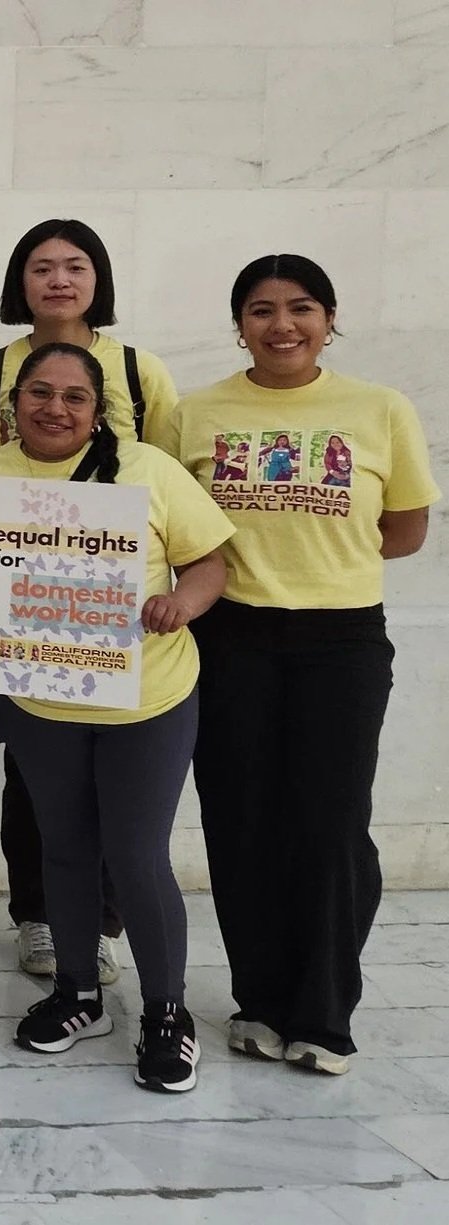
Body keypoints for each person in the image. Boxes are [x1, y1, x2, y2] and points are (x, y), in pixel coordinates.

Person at [151, 254, 440, 1076]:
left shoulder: (378, 408)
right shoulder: (193, 412)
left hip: (340, 643)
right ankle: (259, 1000)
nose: (282, 325)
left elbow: (404, 529)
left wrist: (318, 563)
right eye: (261, 310)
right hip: (228, 640)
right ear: (237, 323)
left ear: (329, 317)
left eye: (301, 308)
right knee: (239, 822)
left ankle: (323, 1011)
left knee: (328, 826)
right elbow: (168, 524)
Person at [0, 342, 233, 1092]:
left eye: (74, 396)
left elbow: (209, 561)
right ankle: (77, 991)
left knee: (135, 853)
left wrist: (182, 602)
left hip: (147, 696)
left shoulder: (149, 470)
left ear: (97, 410)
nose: (54, 408)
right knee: (63, 846)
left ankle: (166, 1011)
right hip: (39, 697)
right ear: (12, 406)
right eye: (39, 392)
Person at [0, 219, 181, 984]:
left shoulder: (140, 369)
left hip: (123, 615)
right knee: (33, 778)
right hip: (29, 612)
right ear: (19, 281)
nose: (57, 280)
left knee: (122, 792)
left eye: (74, 266)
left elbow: (168, 481)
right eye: (40, 266)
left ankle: (104, 921)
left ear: (97, 279)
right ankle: (38, 918)